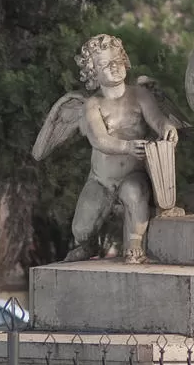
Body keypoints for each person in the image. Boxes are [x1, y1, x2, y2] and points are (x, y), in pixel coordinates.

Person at [56, 35, 179, 263]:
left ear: (124, 59)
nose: (113, 67)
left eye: (116, 60)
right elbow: (99, 139)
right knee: (81, 228)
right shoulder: (93, 105)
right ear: (93, 73)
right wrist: (127, 146)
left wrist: (167, 127)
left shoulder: (140, 95)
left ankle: (134, 242)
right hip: (101, 179)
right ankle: (87, 244)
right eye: (104, 64)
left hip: (134, 173)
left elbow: (157, 119)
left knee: (134, 193)